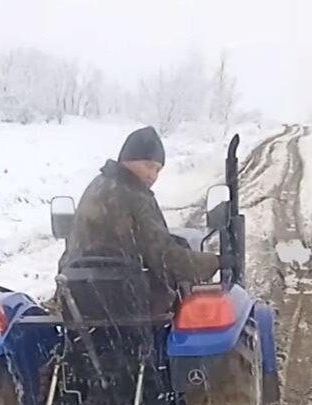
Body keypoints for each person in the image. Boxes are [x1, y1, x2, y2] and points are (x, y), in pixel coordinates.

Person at [58, 126, 225, 313]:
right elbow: (165, 258)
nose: (152, 176)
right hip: (126, 305)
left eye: (158, 170)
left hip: (83, 299)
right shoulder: (133, 195)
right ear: (127, 159)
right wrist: (216, 262)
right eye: (148, 165)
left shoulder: (98, 185)